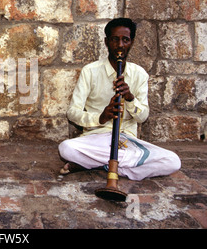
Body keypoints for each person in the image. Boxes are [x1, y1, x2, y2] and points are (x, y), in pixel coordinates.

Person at [58, 18, 181, 181]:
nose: (120, 45)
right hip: (97, 139)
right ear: (106, 42)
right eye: (115, 40)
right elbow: (72, 113)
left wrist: (130, 98)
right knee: (66, 148)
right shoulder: (90, 71)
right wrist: (101, 117)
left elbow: (142, 116)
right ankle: (122, 167)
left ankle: (102, 165)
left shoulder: (140, 74)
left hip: (126, 141)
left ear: (132, 42)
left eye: (125, 40)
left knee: (173, 162)